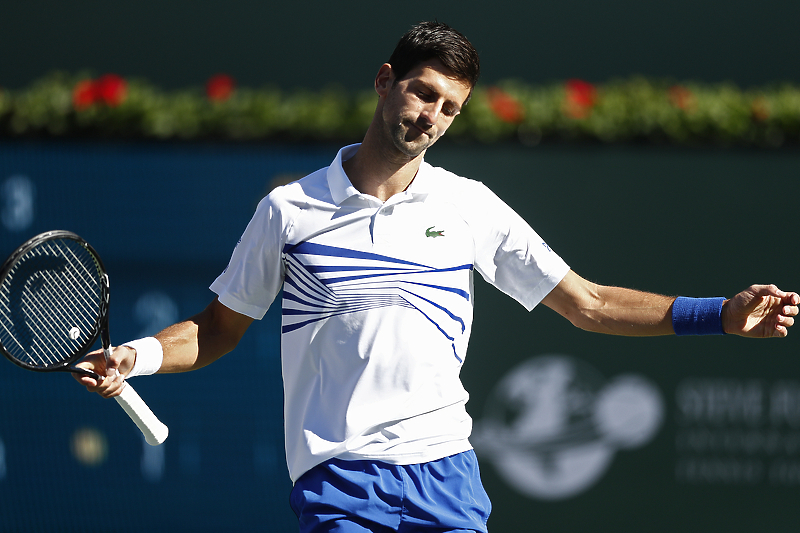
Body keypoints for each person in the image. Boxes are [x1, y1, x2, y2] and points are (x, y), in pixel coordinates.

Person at [77, 21, 799, 533]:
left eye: (451, 108)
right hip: (340, 479)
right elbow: (216, 328)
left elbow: (588, 302)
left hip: (445, 473)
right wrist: (135, 355)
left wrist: (720, 314)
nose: (432, 116)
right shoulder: (288, 210)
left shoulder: (468, 205)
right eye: (423, 93)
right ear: (385, 80)